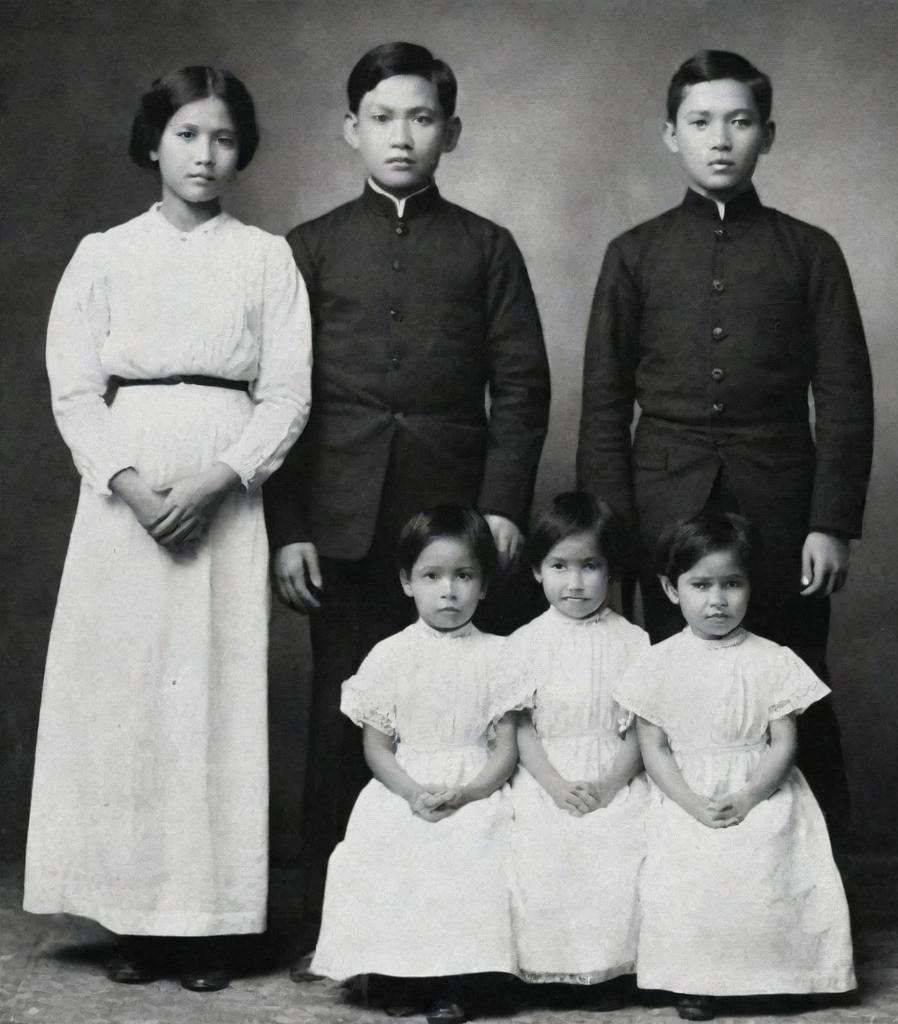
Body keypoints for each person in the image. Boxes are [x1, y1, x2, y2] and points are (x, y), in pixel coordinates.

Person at [23, 66, 311, 992]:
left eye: (223, 139)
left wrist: (221, 479)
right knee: (134, 701)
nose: (205, 154)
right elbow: (73, 389)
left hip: (224, 494)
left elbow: (288, 393)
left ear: (242, 153)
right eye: (187, 135)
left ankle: (212, 926)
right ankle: (137, 920)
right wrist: (134, 487)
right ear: (154, 142)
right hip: (125, 499)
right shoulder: (102, 253)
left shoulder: (267, 257)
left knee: (215, 700)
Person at [263, 41, 550, 962]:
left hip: (456, 523)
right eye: (382, 117)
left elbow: (522, 388)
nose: (402, 135)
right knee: (344, 719)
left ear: (451, 133)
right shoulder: (306, 248)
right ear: (352, 129)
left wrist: (502, 507)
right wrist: (290, 529)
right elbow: (281, 398)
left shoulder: (486, 247)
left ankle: (472, 931)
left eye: (422, 118)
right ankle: (332, 927)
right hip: (340, 519)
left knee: (466, 720)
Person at [576, 49, 873, 839]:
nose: (720, 139)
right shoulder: (634, 253)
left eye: (739, 122)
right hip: (659, 504)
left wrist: (831, 521)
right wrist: (608, 533)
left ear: (766, 136)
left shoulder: (810, 251)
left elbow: (844, 396)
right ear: (669, 135)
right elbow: (604, 401)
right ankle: (671, 893)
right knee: (668, 702)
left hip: (783, 506)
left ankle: (815, 901)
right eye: (700, 122)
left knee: (795, 694)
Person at [615, 513, 855, 1021]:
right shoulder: (657, 663)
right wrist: (689, 802)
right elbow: (653, 746)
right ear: (670, 589)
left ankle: (780, 975)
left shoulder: (773, 659)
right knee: (690, 870)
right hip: (686, 790)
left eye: (731, 584)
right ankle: (698, 980)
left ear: (751, 587)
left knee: (768, 860)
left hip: (759, 786)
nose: (717, 600)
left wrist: (749, 797)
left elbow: (783, 741)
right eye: (700, 585)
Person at [310, 505, 527, 1024]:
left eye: (464, 576)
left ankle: (459, 980)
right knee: (388, 844)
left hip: (474, 783)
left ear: (485, 585)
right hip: (405, 783)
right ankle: (399, 971)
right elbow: (377, 748)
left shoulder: (501, 656)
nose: (448, 591)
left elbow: (505, 748)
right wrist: (410, 793)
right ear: (408, 583)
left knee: (475, 845)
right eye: (432, 576)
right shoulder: (388, 654)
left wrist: (471, 793)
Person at [504, 493, 648, 1002]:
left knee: (623, 840)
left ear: (611, 572)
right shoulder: (522, 642)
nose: (576, 582)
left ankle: (612, 969)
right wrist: (555, 785)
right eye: (559, 566)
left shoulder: (634, 642)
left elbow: (641, 730)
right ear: (537, 572)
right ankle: (548, 970)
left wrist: (609, 784)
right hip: (546, 772)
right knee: (538, 842)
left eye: (591, 566)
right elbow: (519, 728)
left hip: (617, 772)